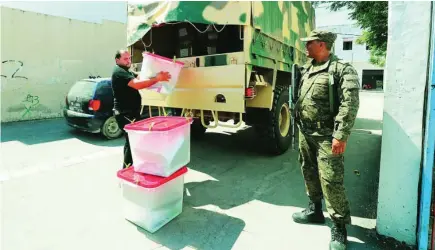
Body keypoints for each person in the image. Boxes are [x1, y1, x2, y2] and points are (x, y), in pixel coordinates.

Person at [292, 30, 360, 250]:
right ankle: (314, 210)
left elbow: (349, 105)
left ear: (321, 45)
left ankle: (339, 227)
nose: (306, 46)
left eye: (309, 43)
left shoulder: (342, 70)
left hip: (327, 136)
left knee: (331, 180)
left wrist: (341, 135)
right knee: (308, 171)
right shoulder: (308, 68)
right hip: (306, 132)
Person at [111, 49, 171, 169]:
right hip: (125, 114)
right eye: (125, 59)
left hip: (130, 113)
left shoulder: (126, 71)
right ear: (117, 60)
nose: (129, 61)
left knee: (131, 143)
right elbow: (138, 84)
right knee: (134, 142)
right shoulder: (119, 72)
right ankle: (127, 170)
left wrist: (152, 68)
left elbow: (140, 78)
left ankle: (130, 169)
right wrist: (157, 78)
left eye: (129, 58)